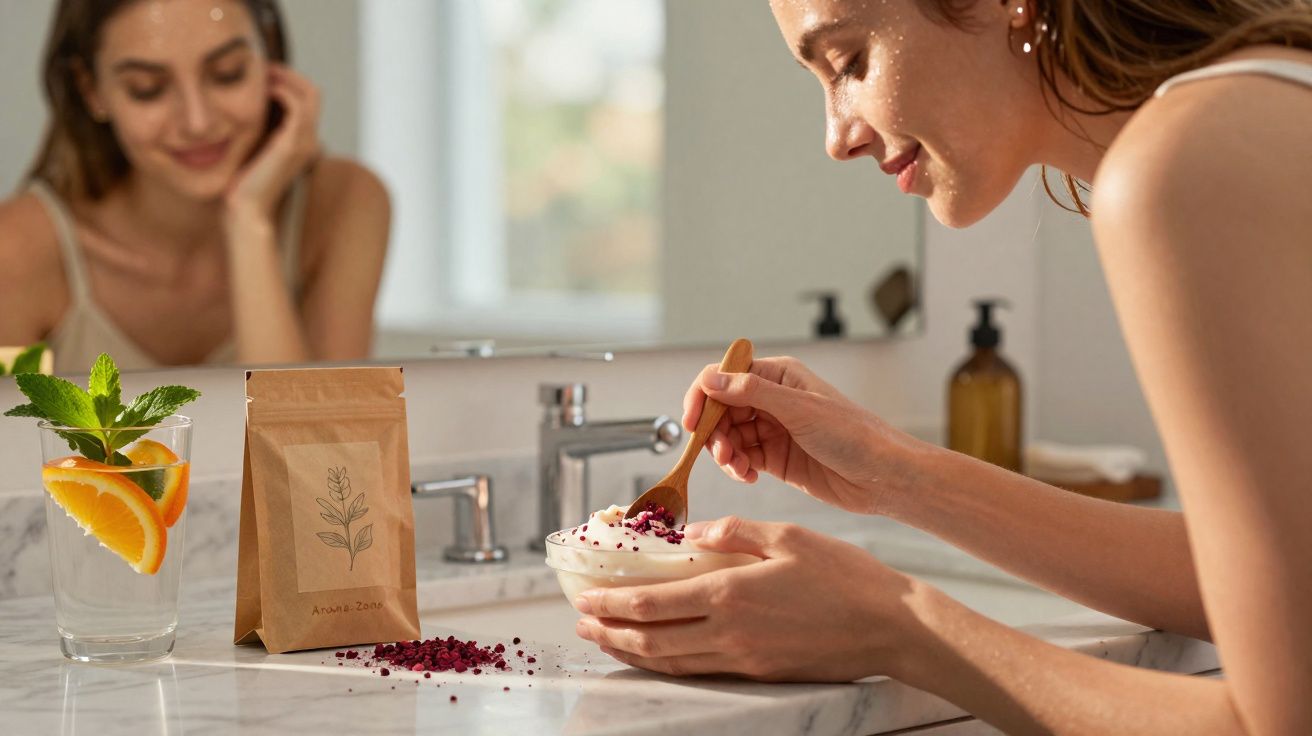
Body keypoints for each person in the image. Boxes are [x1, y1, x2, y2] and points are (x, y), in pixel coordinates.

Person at [573, 1, 1312, 732]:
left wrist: (893, 625)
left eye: (849, 63)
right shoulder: (1261, 103)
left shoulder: (1186, 164)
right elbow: (1272, 592)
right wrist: (897, 474)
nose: (836, 136)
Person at [0, 0, 389, 372]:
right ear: (91, 90)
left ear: (267, 55)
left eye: (228, 72)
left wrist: (249, 223)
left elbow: (311, 439)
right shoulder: (14, 252)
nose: (197, 122)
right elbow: (10, 437)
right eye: (147, 88)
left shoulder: (344, 205)